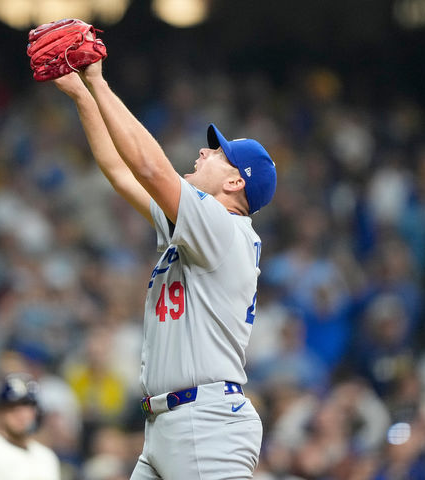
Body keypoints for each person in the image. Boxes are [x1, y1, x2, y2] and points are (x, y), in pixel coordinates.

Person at [49, 50, 276, 479]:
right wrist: (81, 95)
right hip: (170, 424)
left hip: (206, 425)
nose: (204, 152)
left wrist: (98, 82)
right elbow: (120, 171)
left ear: (235, 181)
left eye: (218, 153)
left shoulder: (222, 227)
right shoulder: (203, 227)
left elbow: (150, 168)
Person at [0, 373, 61, 480]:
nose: (21, 414)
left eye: (26, 405)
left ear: (35, 411)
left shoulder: (46, 457)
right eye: (12, 407)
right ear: (0, 413)